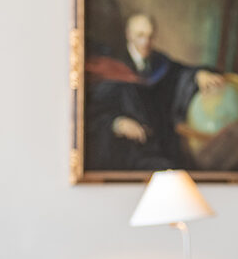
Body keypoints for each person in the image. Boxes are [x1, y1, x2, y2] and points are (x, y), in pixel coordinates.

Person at [84, 13, 224, 171]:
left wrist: (198, 75)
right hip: (129, 150)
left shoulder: (159, 62)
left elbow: (180, 73)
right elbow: (92, 111)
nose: (146, 42)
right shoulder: (113, 66)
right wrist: (117, 123)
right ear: (128, 35)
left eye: (150, 36)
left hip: (160, 142)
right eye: (140, 36)